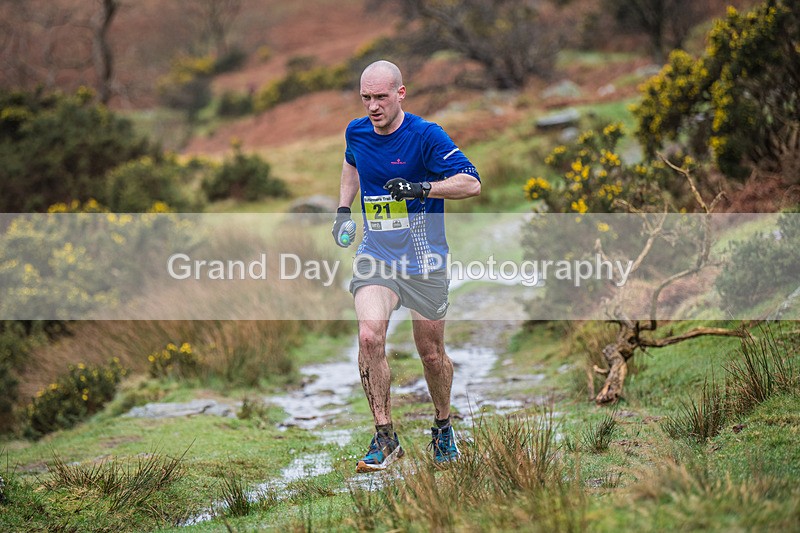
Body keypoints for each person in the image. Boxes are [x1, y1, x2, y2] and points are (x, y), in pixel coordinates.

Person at [331, 60, 481, 473]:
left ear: (401, 93)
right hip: (377, 253)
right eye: (366, 98)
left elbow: (472, 181)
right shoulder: (356, 131)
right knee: (368, 337)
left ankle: (443, 426)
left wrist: (423, 187)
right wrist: (344, 209)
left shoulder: (426, 135)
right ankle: (385, 436)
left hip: (424, 258)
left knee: (431, 354)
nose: (373, 107)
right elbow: (351, 162)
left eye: (381, 97)